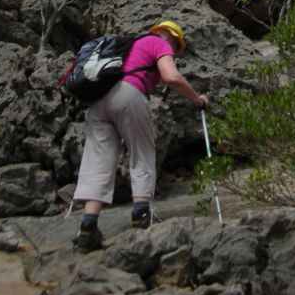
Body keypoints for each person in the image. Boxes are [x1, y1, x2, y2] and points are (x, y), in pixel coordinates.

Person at [72, 19, 209, 252]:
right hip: (129, 93)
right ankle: (141, 214)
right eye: (177, 48)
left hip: (98, 101)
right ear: (173, 39)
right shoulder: (160, 43)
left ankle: (88, 225)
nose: (175, 52)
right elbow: (171, 76)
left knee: (98, 159)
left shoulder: (129, 44)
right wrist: (197, 99)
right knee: (142, 150)